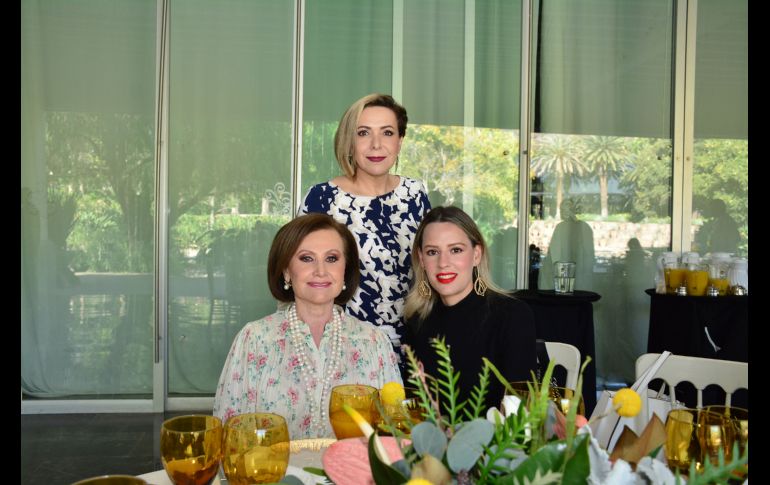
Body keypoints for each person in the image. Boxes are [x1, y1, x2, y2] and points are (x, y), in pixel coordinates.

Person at [213, 213, 402, 439]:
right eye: (306, 258)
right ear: (286, 270)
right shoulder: (254, 340)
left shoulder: (374, 343)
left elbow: (394, 436)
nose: (320, 271)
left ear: (345, 269)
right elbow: (228, 438)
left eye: (331, 258)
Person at [299, 93, 431, 359]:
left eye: (387, 133)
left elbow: (429, 269)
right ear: (349, 141)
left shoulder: (415, 194)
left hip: (413, 346)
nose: (376, 144)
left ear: (400, 141)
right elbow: (300, 272)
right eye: (363, 133)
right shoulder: (322, 198)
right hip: (342, 349)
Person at [402, 206, 537, 410]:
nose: (443, 263)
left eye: (455, 250)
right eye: (432, 252)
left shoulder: (512, 316)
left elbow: (520, 409)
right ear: (421, 259)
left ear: (476, 254)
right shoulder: (418, 321)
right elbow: (415, 408)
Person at [538, 198, 595, 291]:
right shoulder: (585, 227)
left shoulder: (561, 228)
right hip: (581, 278)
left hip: (565, 278)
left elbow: (554, 256)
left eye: (562, 210)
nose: (561, 212)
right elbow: (590, 256)